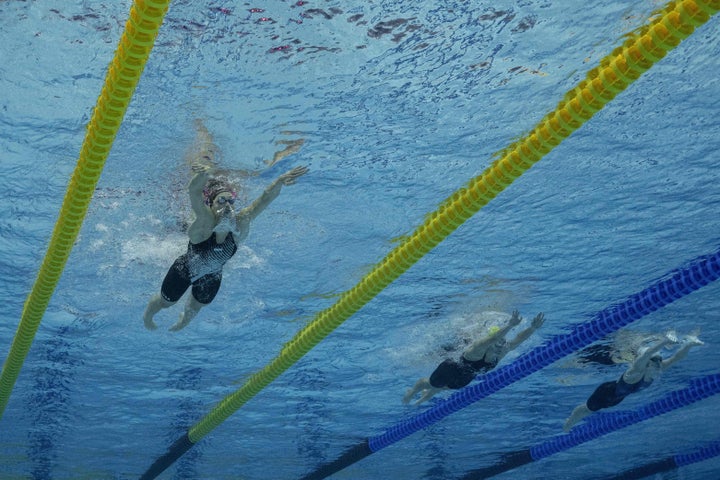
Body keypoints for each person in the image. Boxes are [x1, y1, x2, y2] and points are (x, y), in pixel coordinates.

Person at [143, 122, 309, 332]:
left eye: (230, 201)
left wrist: (279, 182)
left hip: (213, 274)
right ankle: (148, 316)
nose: (228, 207)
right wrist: (201, 175)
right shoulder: (203, 225)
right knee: (167, 302)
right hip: (185, 269)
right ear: (211, 207)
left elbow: (264, 200)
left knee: (197, 305)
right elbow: (194, 193)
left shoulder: (240, 223)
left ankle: (183, 320)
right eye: (221, 202)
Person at [563, 331, 704, 431]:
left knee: (588, 411)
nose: (659, 364)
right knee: (586, 409)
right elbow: (648, 353)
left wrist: (688, 345)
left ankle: (572, 420)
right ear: (647, 364)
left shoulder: (657, 368)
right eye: (655, 362)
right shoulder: (635, 372)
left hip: (619, 397)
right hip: (605, 393)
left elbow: (676, 358)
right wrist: (665, 341)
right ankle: (569, 421)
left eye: (659, 361)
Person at [403, 310, 545, 405]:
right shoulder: (478, 349)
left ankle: (423, 399)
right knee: (429, 384)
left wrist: (532, 328)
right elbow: (492, 339)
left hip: (465, 378)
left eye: (502, 343)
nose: (501, 346)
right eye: (498, 343)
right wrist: (509, 325)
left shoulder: (500, 351)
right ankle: (412, 392)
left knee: (443, 388)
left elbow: (517, 340)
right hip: (450, 369)